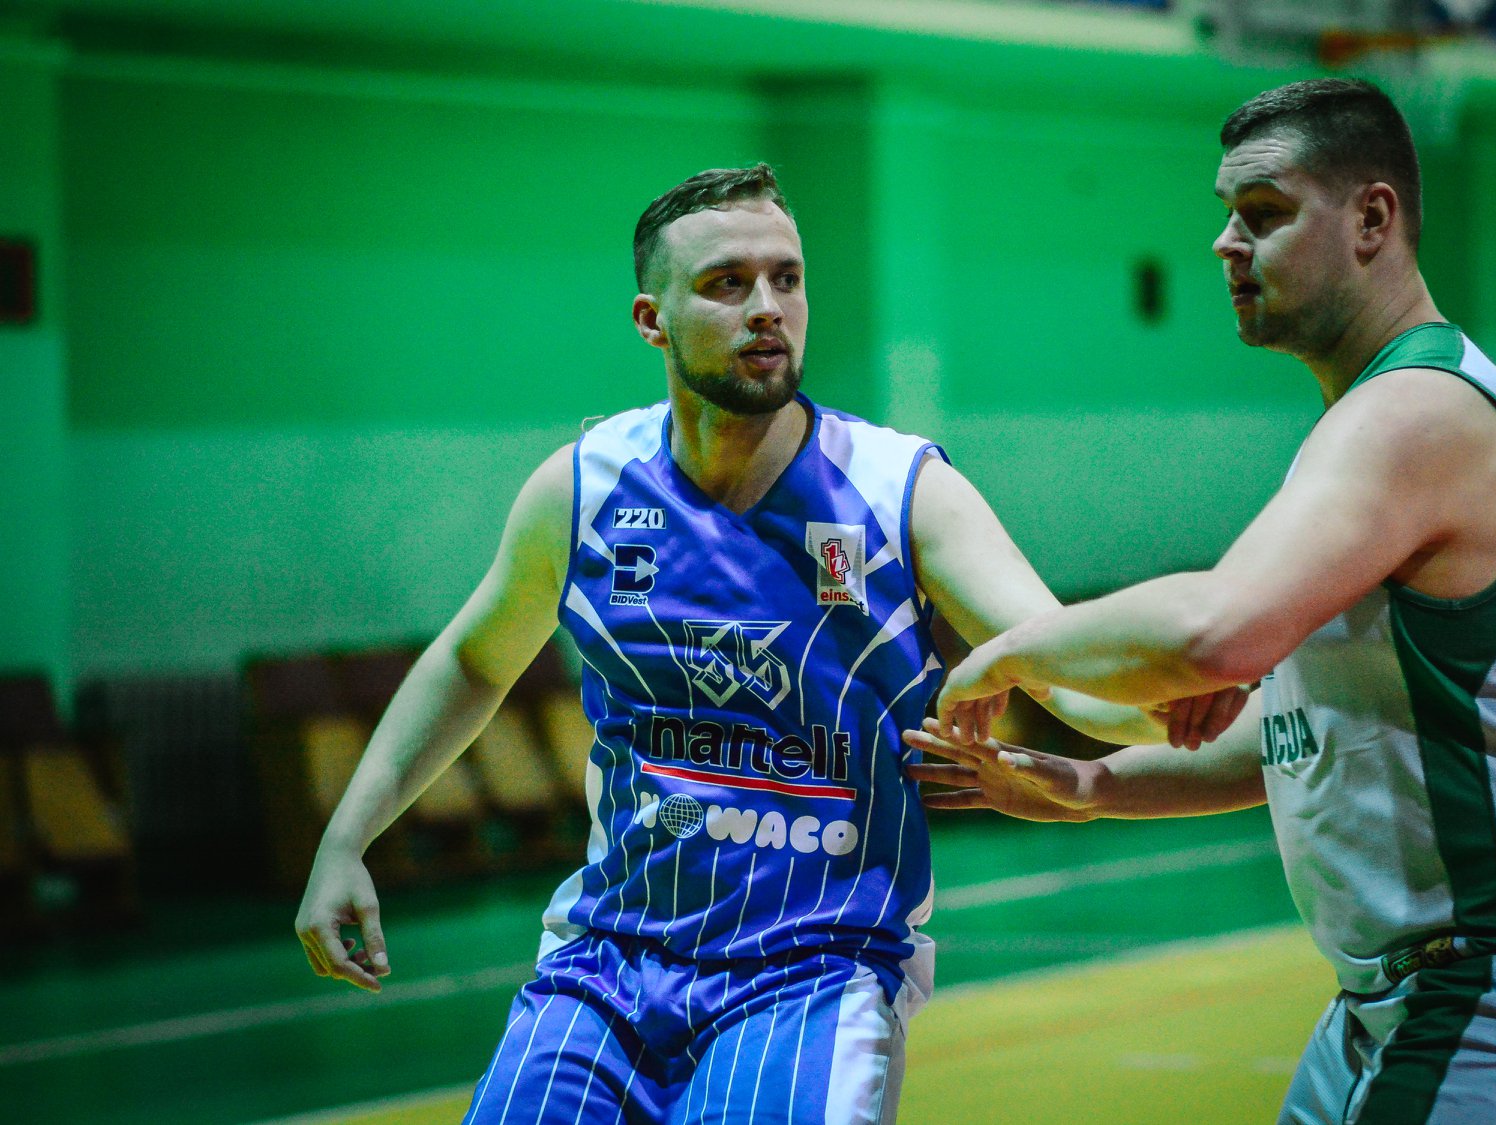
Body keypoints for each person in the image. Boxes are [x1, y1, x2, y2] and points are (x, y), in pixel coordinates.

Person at [293, 163, 1244, 1124]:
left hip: (816, 967)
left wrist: (1188, 704)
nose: (766, 307)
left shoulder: (901, 488)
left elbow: (1063, 674)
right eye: (726, 283)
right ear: (652, 320)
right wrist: (345, 841)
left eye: (786, 278)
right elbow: (472, 662)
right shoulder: (582, 488)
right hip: (607, 959)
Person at [910, 79, 1496, 1125]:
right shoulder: (1373, 419)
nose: (1225, 243)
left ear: (1371, 220)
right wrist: (1092, 785)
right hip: (1401, 995)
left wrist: (1009, 651)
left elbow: (1214, 632)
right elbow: (1300, 728)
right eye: (1228, 213)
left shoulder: (1417, 412)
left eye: (1263, 213)